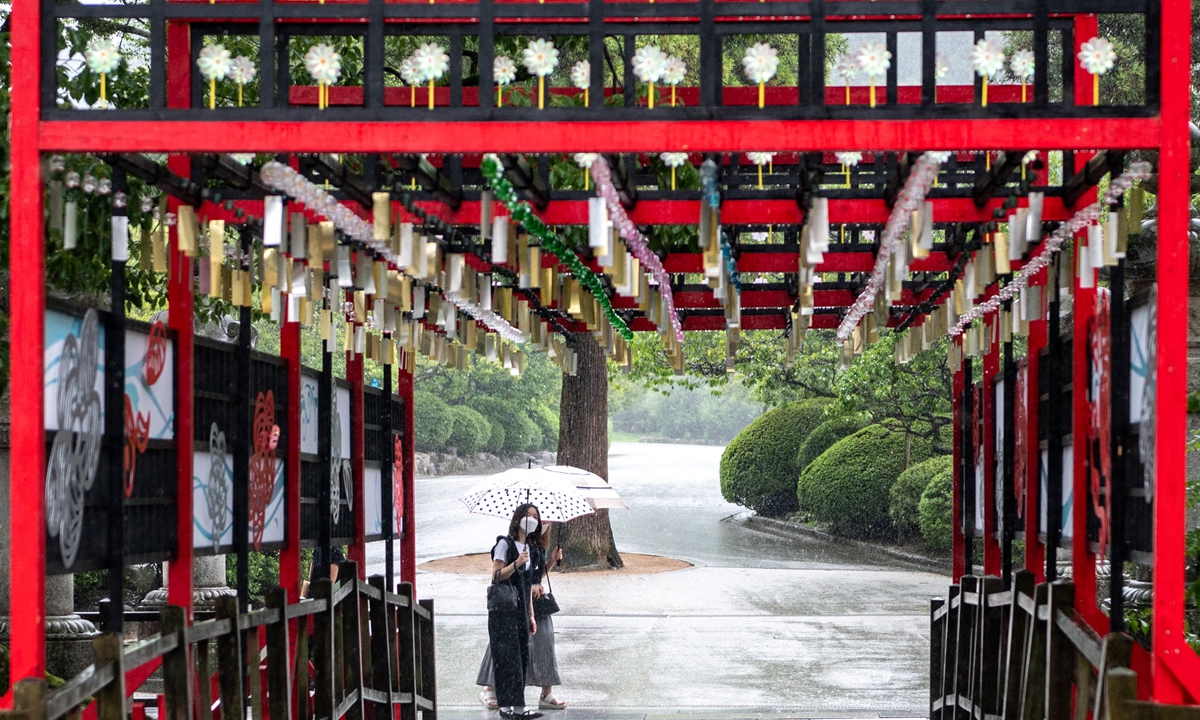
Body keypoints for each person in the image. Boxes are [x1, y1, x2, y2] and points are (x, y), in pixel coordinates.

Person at [478, 514, 566, 711]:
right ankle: (490, 686)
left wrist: (551, 561)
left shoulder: (536, 546)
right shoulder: (509, 544)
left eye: (545, 519)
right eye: (536, 517)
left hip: (534, 602)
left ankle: (546, 691)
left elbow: (534, 575)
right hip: (512, 601)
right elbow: (501, 575)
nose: (542, 522)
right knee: (505, 643)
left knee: (545, 640)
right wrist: (526, 579)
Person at [486, 504, 544, 720]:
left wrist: (531, 614)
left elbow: (527, 585)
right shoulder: (504, 544)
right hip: (502, 610)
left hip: (520, 611)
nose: (531, 519)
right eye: (528, 515)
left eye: (535, 516)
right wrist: (516, 563)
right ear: (518, 518)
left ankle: (519, 706)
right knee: (505, 657)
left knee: (521, 656)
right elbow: (496, 575)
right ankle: (505, 706)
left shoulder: (530, 548)